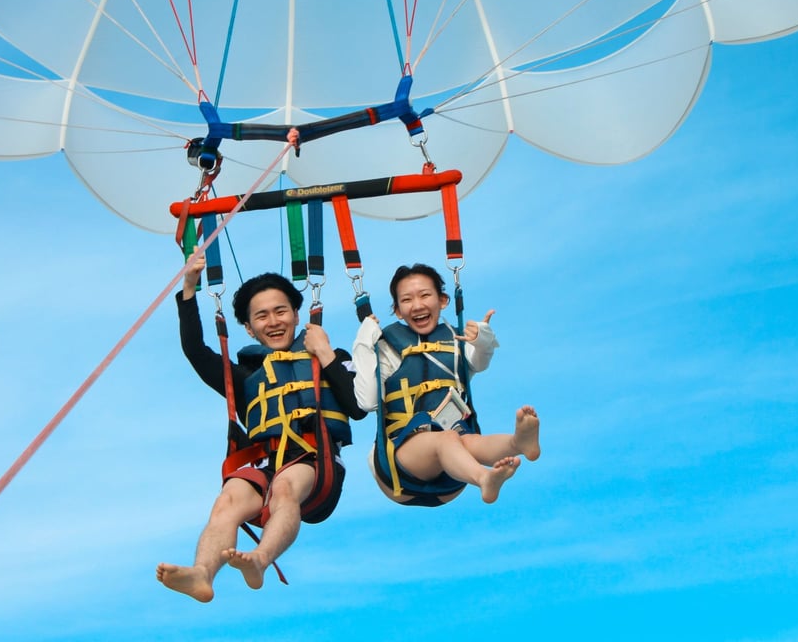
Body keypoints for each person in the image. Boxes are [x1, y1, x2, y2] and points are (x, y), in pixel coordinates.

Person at [157, 251, 365, 600]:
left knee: (285, 486)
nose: (273, 321)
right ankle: (202, 574)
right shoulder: (243, 376)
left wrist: (325, 353)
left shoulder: (332, 357)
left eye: (281, 311)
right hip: (264, 465)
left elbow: (356, 408)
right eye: (262, 316)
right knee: (227, 501)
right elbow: (196, 350)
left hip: (316, 462)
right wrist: (189, 288)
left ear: (297, 315)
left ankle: (260, 559)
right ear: (249, 328)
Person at [353, 263, 540, 507]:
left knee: (468, 441)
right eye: (407, 300)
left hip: (452, 473)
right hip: (401, 467)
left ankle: (518, 443)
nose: (417, 305)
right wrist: (364, 342)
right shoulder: (387, 347)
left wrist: (482, 340)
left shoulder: (455, 340)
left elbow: (478, 362)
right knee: (449, 439)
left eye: (425, 295)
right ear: (398, 311)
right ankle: (485, 477)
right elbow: (367, 401)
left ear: (442, 301)